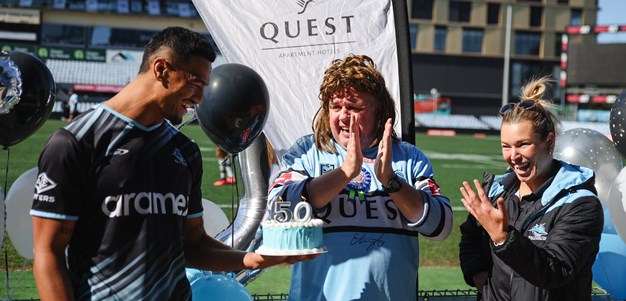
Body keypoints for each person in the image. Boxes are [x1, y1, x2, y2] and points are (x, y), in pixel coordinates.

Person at [30, 26, 315, 301]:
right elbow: (48, 253)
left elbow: (193, 244)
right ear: (161, 69)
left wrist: (252, 259)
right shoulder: (76, 142)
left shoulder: (184, 151)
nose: (201, 97)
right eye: (194, 82)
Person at [267, 54, 453, 301]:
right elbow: (276, 210)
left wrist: (392, 182)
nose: (343, 116)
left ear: (379, 112)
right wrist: (344, 173)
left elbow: (441, 227)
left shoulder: (408, 158)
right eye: (335, 107)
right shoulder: (307, 152)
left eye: (354, 107)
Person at [458, 76, 603, 301]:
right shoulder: (496, 191)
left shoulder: (580, 203)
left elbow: (556, 270)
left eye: (523, 144)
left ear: (550, 142)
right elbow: (470, 237)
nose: (513, 156)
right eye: (506, 146)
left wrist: (503, 239)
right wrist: (480, 279)